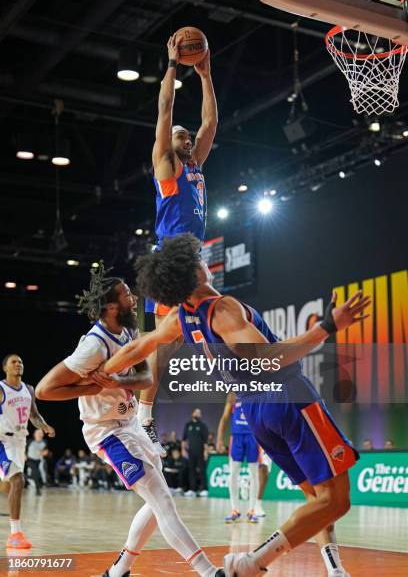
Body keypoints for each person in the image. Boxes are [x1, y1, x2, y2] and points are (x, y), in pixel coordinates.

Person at [103, 234, 371, 577]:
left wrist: (96, 372)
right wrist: (327, 326)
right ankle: (250, 563)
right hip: (285, 396)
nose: (205, 262)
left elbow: (136, 349)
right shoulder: (223, 309)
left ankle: (335, 569)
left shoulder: (181, 318)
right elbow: (270, 359)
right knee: (336, 499)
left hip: (257, 412)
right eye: (199, 259)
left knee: (318, 499)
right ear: (194, 272)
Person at [35, 263, 223, 577]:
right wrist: (90, 386)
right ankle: (208, 572)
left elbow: (145, 376)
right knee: (162, 499)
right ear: (111, 305)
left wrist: (117, 383)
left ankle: (119, 570)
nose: (133, 298)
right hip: (106, 432)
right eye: (126, 295)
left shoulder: (129, 330)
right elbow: (44, 390)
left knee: (158, 498)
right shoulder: (94, 346)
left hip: (131, 424)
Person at [138, 31, 218, 454]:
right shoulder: (166, 163)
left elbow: (211, 123)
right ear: (169, 144)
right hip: (171, 257)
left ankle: (217, 365)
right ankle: (143, 414)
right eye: (181, 137)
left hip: (192, 255)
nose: (188, 140)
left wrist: (205, 75)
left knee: (181, 334)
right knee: (164, 343)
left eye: (189, 138)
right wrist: (173, 65)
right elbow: (166, 109)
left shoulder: (196, 165)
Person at [0, 353, 55, 549]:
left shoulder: (28, 389)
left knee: (12, 483)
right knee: (18, 480)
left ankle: (14, 533)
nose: (18, 364)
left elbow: (34, 415)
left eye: (21, 362)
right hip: (2, 441)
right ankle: (15, 534)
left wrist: (45, 426)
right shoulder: (1, 388)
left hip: (19, 441)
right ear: (5, 367)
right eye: (14, 362)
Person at [217, 393, 260, 523]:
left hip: (253, 437)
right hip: (236, 438)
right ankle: (235, 509)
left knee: (254, 473)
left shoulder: (256, 392)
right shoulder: (233, 394)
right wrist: (219, 438)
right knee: (233, 473)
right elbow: (224, 417)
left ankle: (252, 510)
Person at [182, 408, 209, 497]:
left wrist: (205, 451)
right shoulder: (188, 425)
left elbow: (205, 441)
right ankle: (192, 489)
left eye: (199, 413)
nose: (198, 414)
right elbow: (184, 439)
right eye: (197, 412)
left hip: (200, 451)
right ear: (192, 413)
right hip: (191, 452)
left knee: (202, 470)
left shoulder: (202, 425)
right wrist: (183, 450)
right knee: (191, 471)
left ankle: (204, 489)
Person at [26, 428, 49, 496]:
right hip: (30, 460)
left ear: (42, 435)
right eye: (38, 433)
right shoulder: (30, 441)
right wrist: (24, 455)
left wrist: (44, 453)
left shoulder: (44, 442)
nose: (39, 434)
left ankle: (26, 476)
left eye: (40, 433)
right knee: (36, 472)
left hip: (38, 460)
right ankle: (38, 490)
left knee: (35, 474)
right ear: (34, 434)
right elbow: (23, 448)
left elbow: (46, 451)